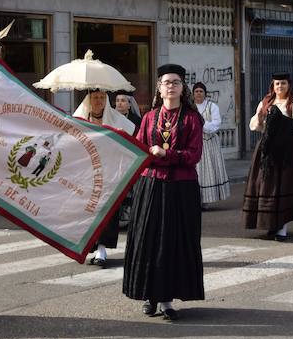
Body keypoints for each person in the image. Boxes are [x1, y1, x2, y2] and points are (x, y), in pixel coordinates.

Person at [123, 64, 204, 321]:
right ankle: (151, 295)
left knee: (172, 243)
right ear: (159, 87)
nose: (171, 86)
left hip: (181, 188)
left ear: (182, 88)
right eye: (166, 82)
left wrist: (166, 154)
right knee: (149, 241)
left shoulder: (192, 119)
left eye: (176, 82)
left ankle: (167, 299)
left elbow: (194, 155)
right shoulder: (149, 118)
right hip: (151, 185)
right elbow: (138, 148)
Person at [74, 89, 137, 268]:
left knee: (107, 210)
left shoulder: (116, 119)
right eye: (95, 97)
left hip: (109, 171)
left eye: (102, 97)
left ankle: (102, 248)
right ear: (89, 99)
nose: (99, 101)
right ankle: (89, 246)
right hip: (86, 172)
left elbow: (130, 135)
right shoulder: (79, 118)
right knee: (88, 210)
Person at [243, 73, 293, 241]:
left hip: (288, 149)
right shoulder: (265, 103)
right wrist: (260, 119)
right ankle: (271, 224)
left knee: (284, 186)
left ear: (289, 85)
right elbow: (254, 125)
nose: (280, 86)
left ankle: (282, 228)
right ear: (273, 85)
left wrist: (280, 120)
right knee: (265, 186)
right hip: (268, 150)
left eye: (283, 83)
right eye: (277, 84)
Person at [192, 82, 230, 205]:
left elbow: (215, 125)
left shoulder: (212, 107)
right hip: (193, 144)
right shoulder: (190, 108)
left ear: (205, 93)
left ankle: (206, 201)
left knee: (208, 172)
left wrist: (200, 124)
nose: (198, 93)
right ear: (193, 94)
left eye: (201, 91)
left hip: (209, 144)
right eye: (196, 91)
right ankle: (195, 200)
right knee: (195, 172)